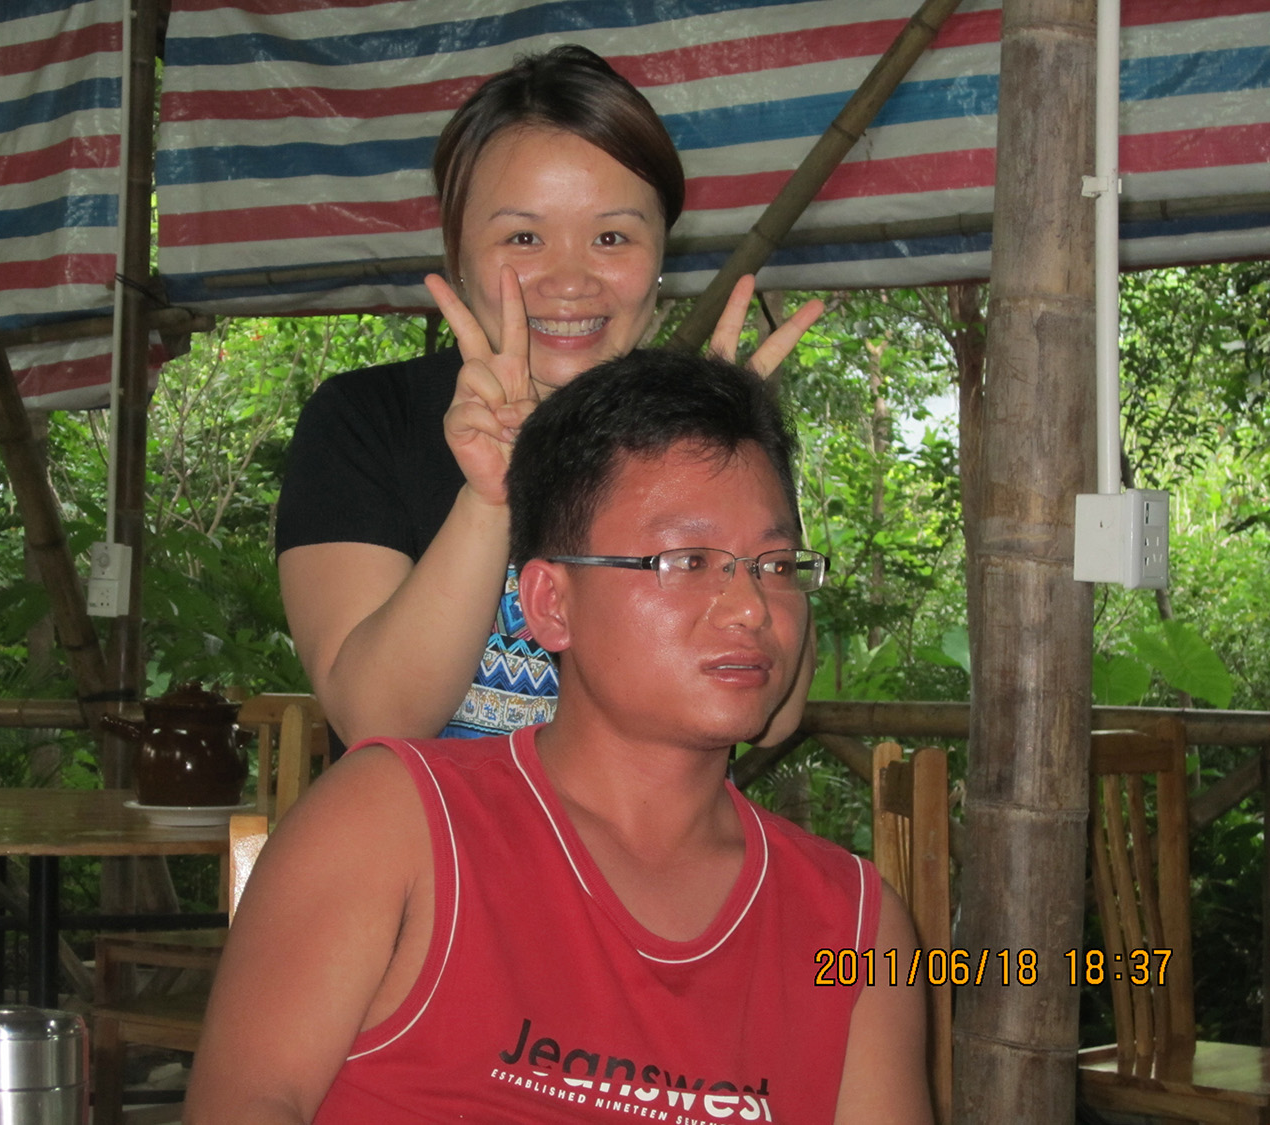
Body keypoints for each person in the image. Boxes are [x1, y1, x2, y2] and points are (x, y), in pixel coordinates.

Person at [185, 351, 931, 1124]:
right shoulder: (391, 823)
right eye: (688, 560)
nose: (750, 606)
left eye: (774, 564)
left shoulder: (855, 924)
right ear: (551, 603)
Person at [275, 44, 823, 755]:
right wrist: (493, 494)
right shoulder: (366, 419)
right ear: (457, 251)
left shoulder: (697, 434)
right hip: (426, 828)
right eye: (524, 236)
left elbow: (774, 716)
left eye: (612, 237)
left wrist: (732, 455)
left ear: (662, 254)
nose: (570, 281)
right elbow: (376, 720)